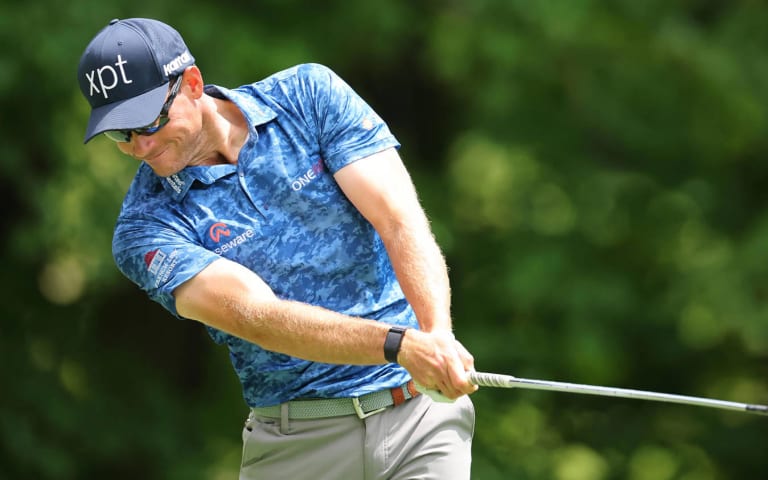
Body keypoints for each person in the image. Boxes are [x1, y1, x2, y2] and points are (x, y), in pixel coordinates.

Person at [77, 18, 477, 479]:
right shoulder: (145, 227)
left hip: (419, 417)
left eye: (151, 121)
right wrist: (400, 345)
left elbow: (397, 218)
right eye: (120, 134)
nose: (141, 145)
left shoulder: (308, 97)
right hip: (297, 444)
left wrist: (437, 337)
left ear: (191, 83)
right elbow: (258, 317)